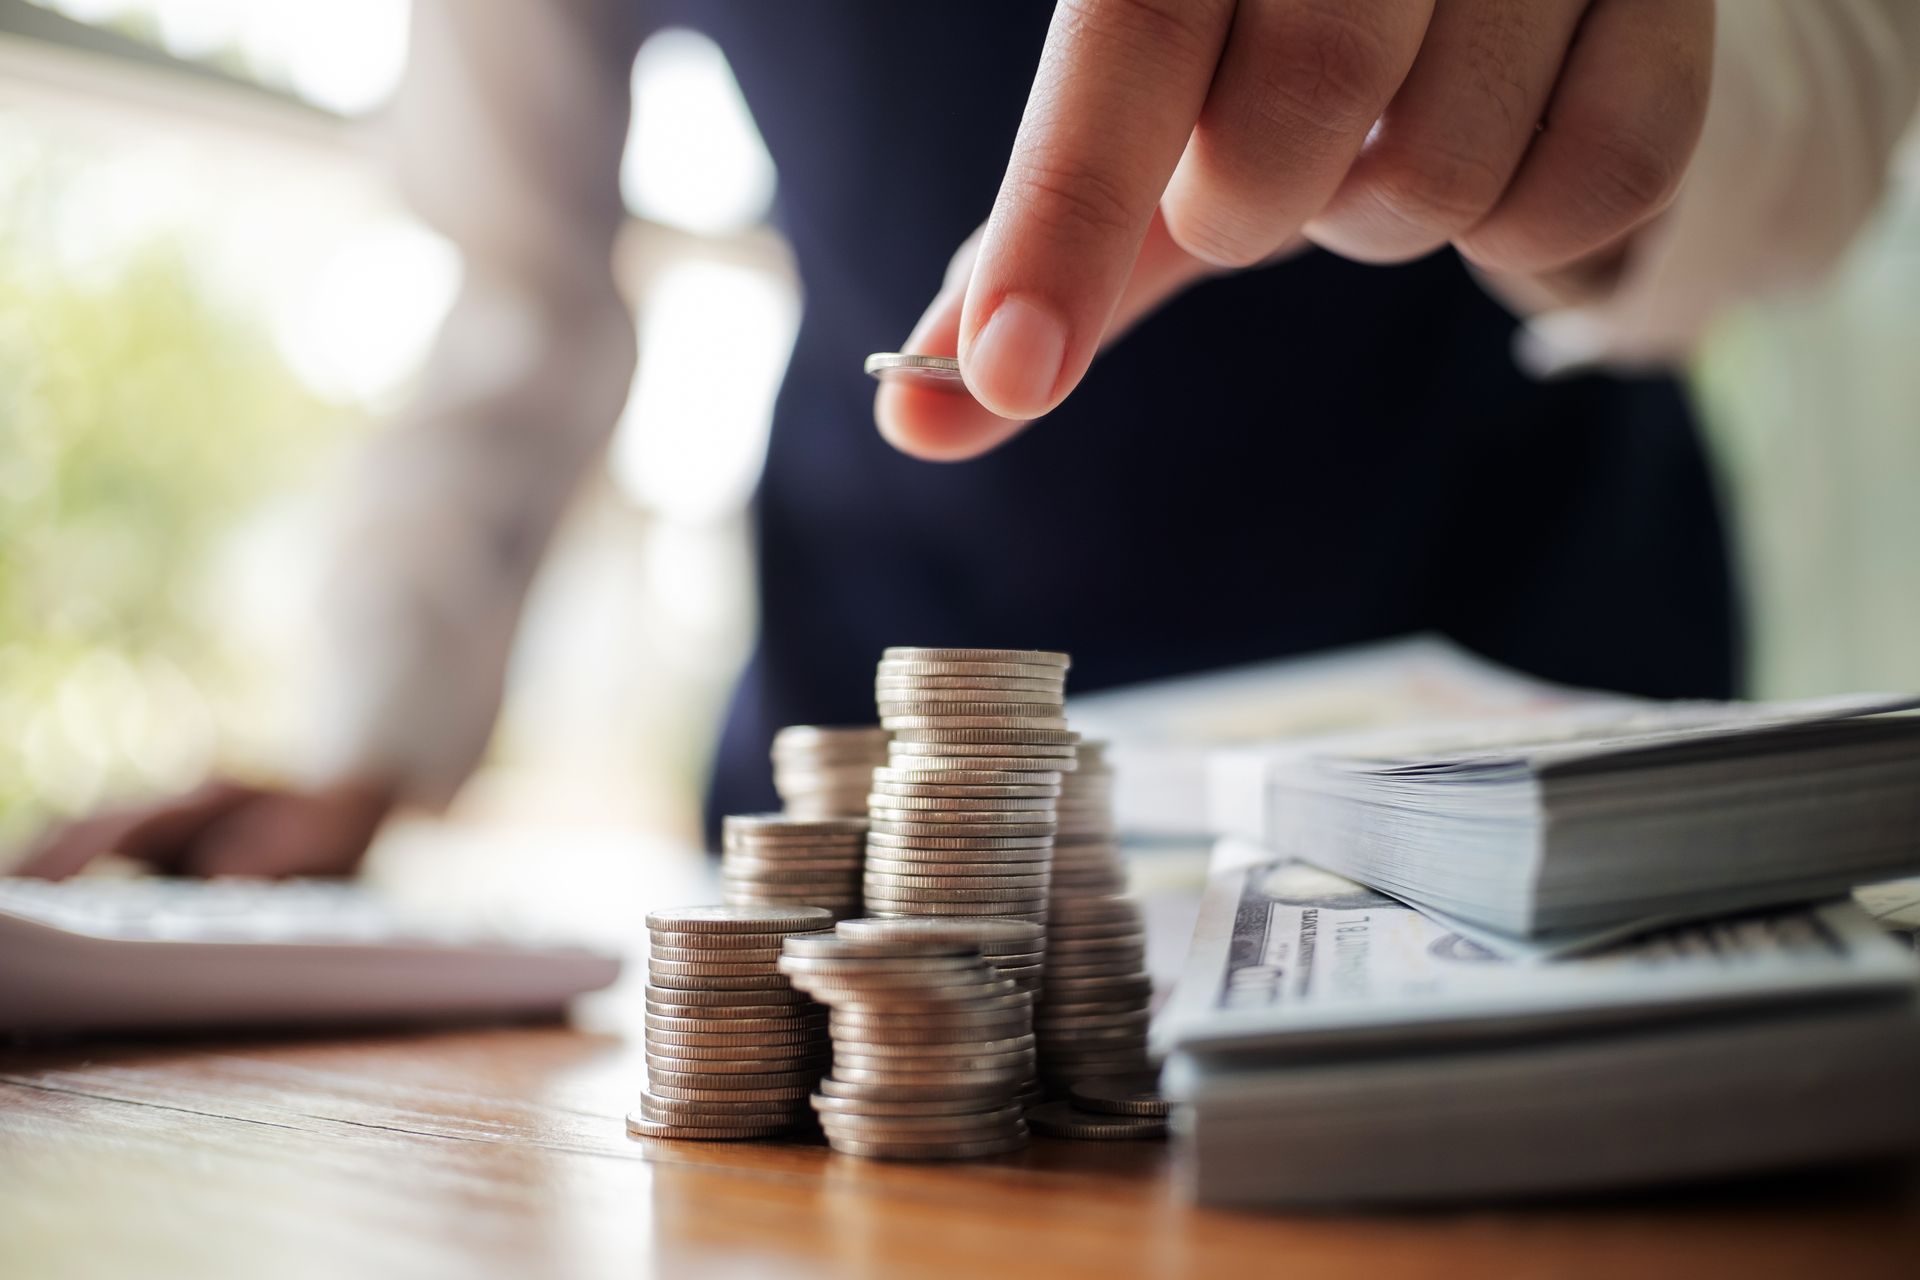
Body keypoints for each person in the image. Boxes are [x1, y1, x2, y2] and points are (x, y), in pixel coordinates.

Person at [20, 0, 1920, 880]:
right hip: (873, 773)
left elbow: (1843, 88)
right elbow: (520, 288)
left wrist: (1635, 98)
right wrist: (362, 741)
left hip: (1537, 675)